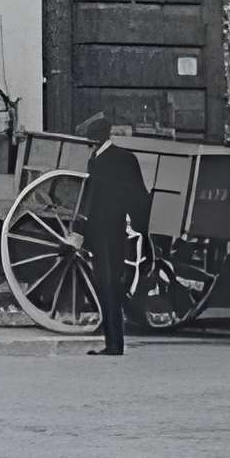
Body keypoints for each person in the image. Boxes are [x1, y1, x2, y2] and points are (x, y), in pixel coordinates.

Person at [77, 113, 145, 355]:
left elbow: (90, 200)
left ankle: (113, 344)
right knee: (113, 285)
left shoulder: (98, 161)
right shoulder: (126, 158)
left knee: (106, 286)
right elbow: (140, 196)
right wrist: (138, 227)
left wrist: (80, 231)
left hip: (102, 233)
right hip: (119, 230)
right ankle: (115, 341)